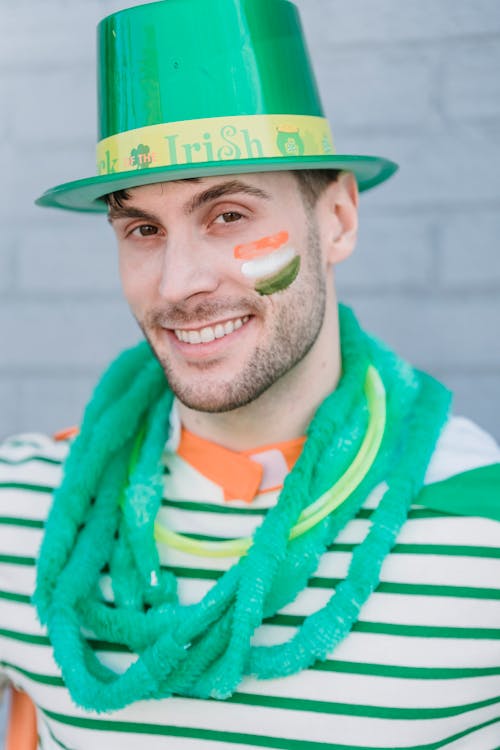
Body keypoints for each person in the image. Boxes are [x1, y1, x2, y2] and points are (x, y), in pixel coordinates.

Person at [1, 0, 499, 748]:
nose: (175, 285)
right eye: (143, 228)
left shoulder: (479, 523)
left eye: (227, 215)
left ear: (336, 219)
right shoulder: (27, 503)